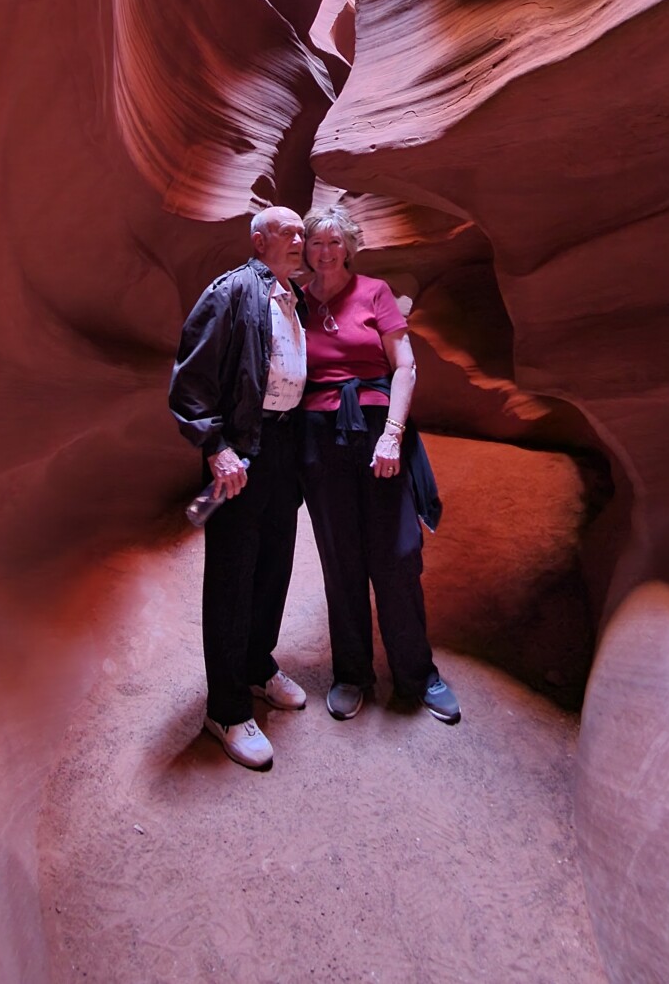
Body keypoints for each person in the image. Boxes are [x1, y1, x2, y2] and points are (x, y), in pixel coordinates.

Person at [300, 205, 460, 724]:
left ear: (347, 246)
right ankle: (352, 673)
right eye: (315, 244)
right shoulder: (297, 302)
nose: (324, 253)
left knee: (397, 554)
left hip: (374, 431)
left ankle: (418, 673)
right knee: (340, 558)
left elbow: (405, 366)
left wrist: (392, 435)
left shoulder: (374, 292)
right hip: (321, 439)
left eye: (332, 242)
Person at [169, 206, 309, 770]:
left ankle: (256, 666)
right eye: (287, 232)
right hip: (240, 452)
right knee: (232, 575)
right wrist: (216, 447)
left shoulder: (290, 295)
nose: (299, 239)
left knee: (275, 563)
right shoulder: (230, 293)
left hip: (282, 448)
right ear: (258, 240)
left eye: (303, 232)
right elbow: (191, 381)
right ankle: (225, 709)